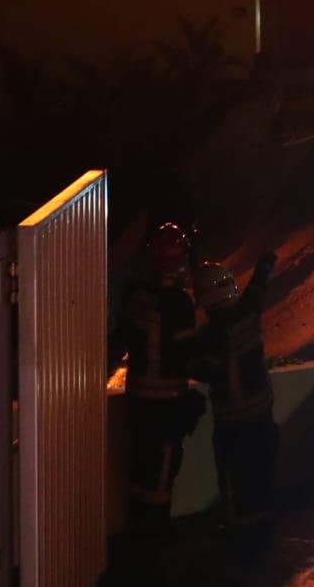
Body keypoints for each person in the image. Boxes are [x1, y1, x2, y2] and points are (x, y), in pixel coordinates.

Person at [111, 220, 208, 532]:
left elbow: (121, 339)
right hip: (168, 408)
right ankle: (151, 548)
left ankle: (136, 538)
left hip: (138, 401)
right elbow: (189, 358)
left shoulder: (135, 295)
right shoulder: (179, 304)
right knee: (161, 477)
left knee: (139, 471)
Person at [191, 252, 280, 570]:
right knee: (262, 472)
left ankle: (240, 535)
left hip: (232, 421)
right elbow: (257, 290)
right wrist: (265, 264)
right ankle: (263, 526)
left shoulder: (210, 336)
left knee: (234, 478)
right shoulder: (248, 313)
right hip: (262, 415)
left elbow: (204, 371)